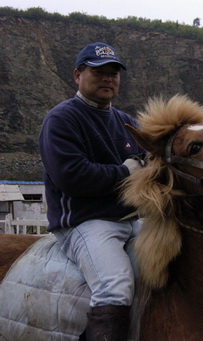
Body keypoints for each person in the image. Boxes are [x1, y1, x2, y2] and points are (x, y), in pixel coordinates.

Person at [39, 42, 145, 341]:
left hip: (132, 219)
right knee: (114, 285)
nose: (107, 78)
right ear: (77, 75)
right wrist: (125, 172)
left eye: (113, 73)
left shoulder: (128, 122)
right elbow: (71, 177)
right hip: (85, 222)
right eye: (98, 72)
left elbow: (150, 166)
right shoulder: (62, 119)